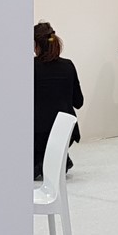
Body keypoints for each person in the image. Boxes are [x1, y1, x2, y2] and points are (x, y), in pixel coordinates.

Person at [33, 21, 83, 181]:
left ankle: (42, 161)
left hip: (36, 133)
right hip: (64, 132)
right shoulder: (68, 66)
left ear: (35, 44)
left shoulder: (30, 67)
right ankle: (56, 159)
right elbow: (79, 102)